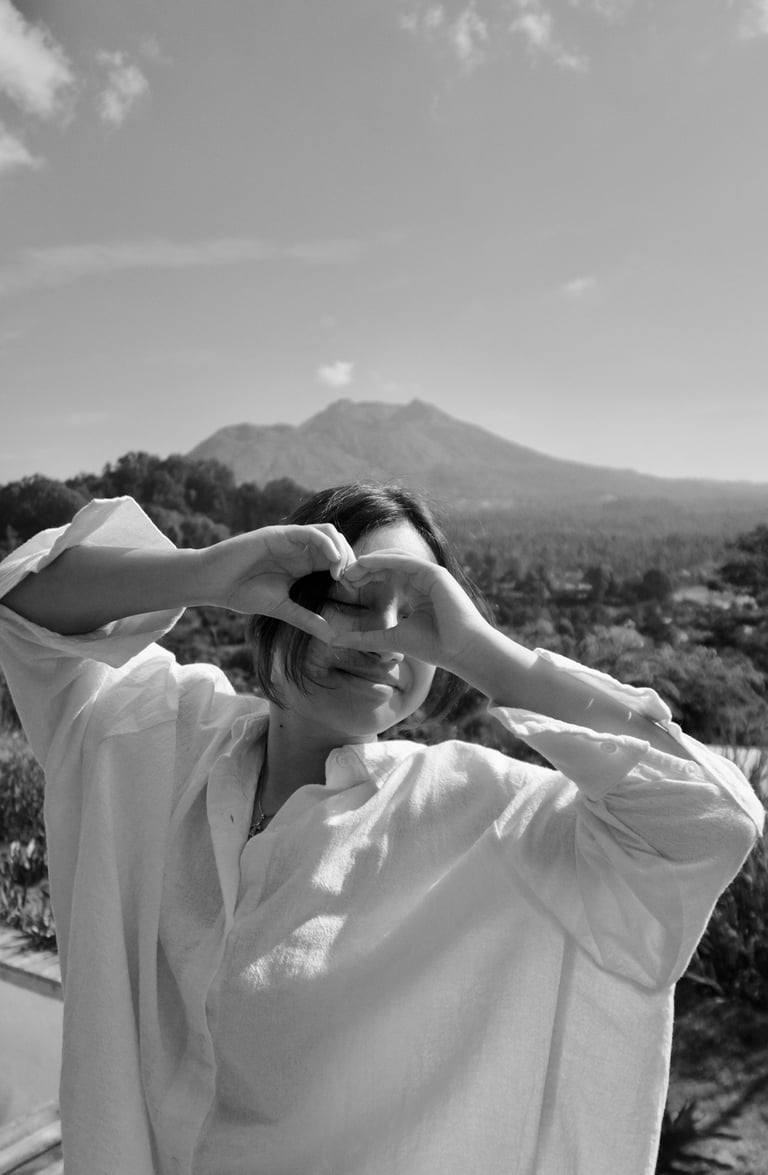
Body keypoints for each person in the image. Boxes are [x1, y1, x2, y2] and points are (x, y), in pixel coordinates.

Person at [0, 482, 763, 1175]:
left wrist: (478, 649)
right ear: (276, 607)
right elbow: (21, 608)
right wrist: (208, 573)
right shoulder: (153, 737)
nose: (381, 637)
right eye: (345, 598)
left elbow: (708, 819)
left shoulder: (479, 815)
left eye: (418, 612)